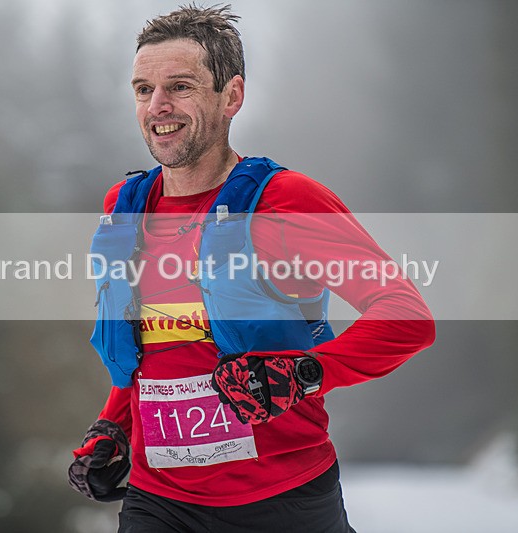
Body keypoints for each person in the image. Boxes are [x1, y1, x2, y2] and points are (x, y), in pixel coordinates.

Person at [68, 5, 435, 532]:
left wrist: (304, 373)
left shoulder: (286, 202)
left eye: (181, 86)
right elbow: (148, 354)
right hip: (159, 502)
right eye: (143, 89)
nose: (158, 106)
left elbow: (406, 318)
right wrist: (113, 427)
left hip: (283, 499)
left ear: (231, 96)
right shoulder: (124, 209)